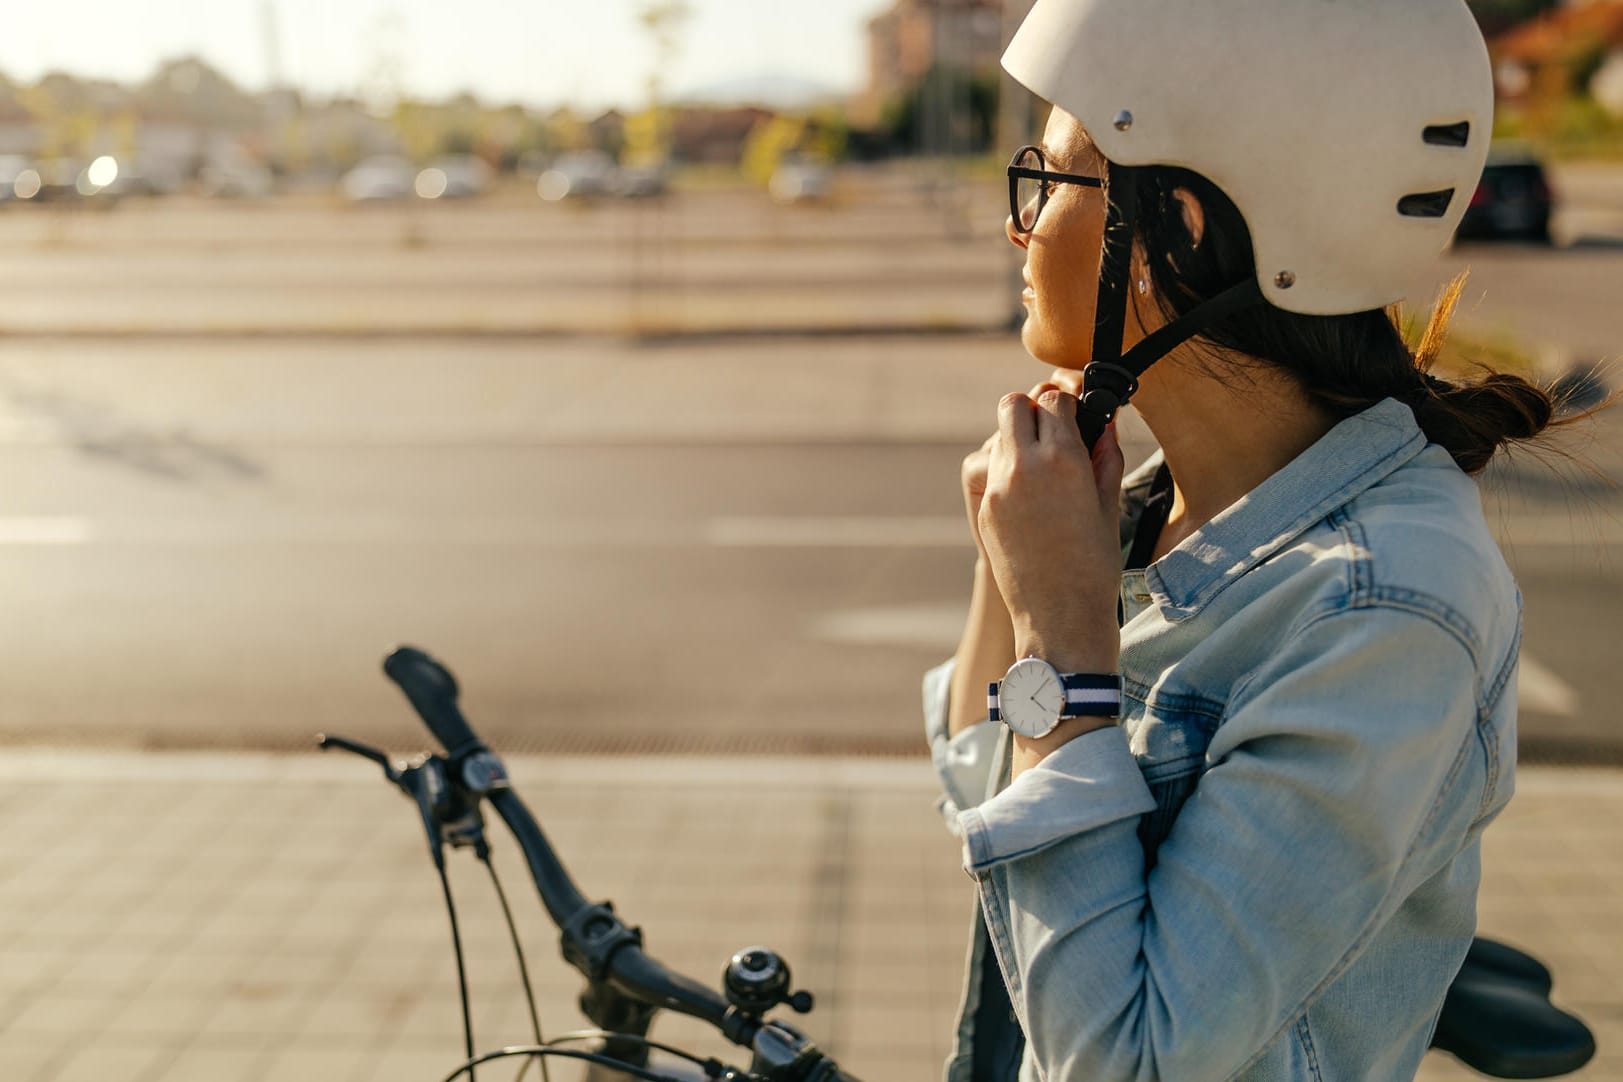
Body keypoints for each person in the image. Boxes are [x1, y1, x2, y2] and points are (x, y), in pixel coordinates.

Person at [921, 1, 1601, 1079]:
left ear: (1178, 231)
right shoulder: (1156, 504)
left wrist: (1059, 624)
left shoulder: (1381, 612)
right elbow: (983, 791)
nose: (1020, 224)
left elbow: (1120, 1059)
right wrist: (1011, 563)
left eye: (1051, 181)